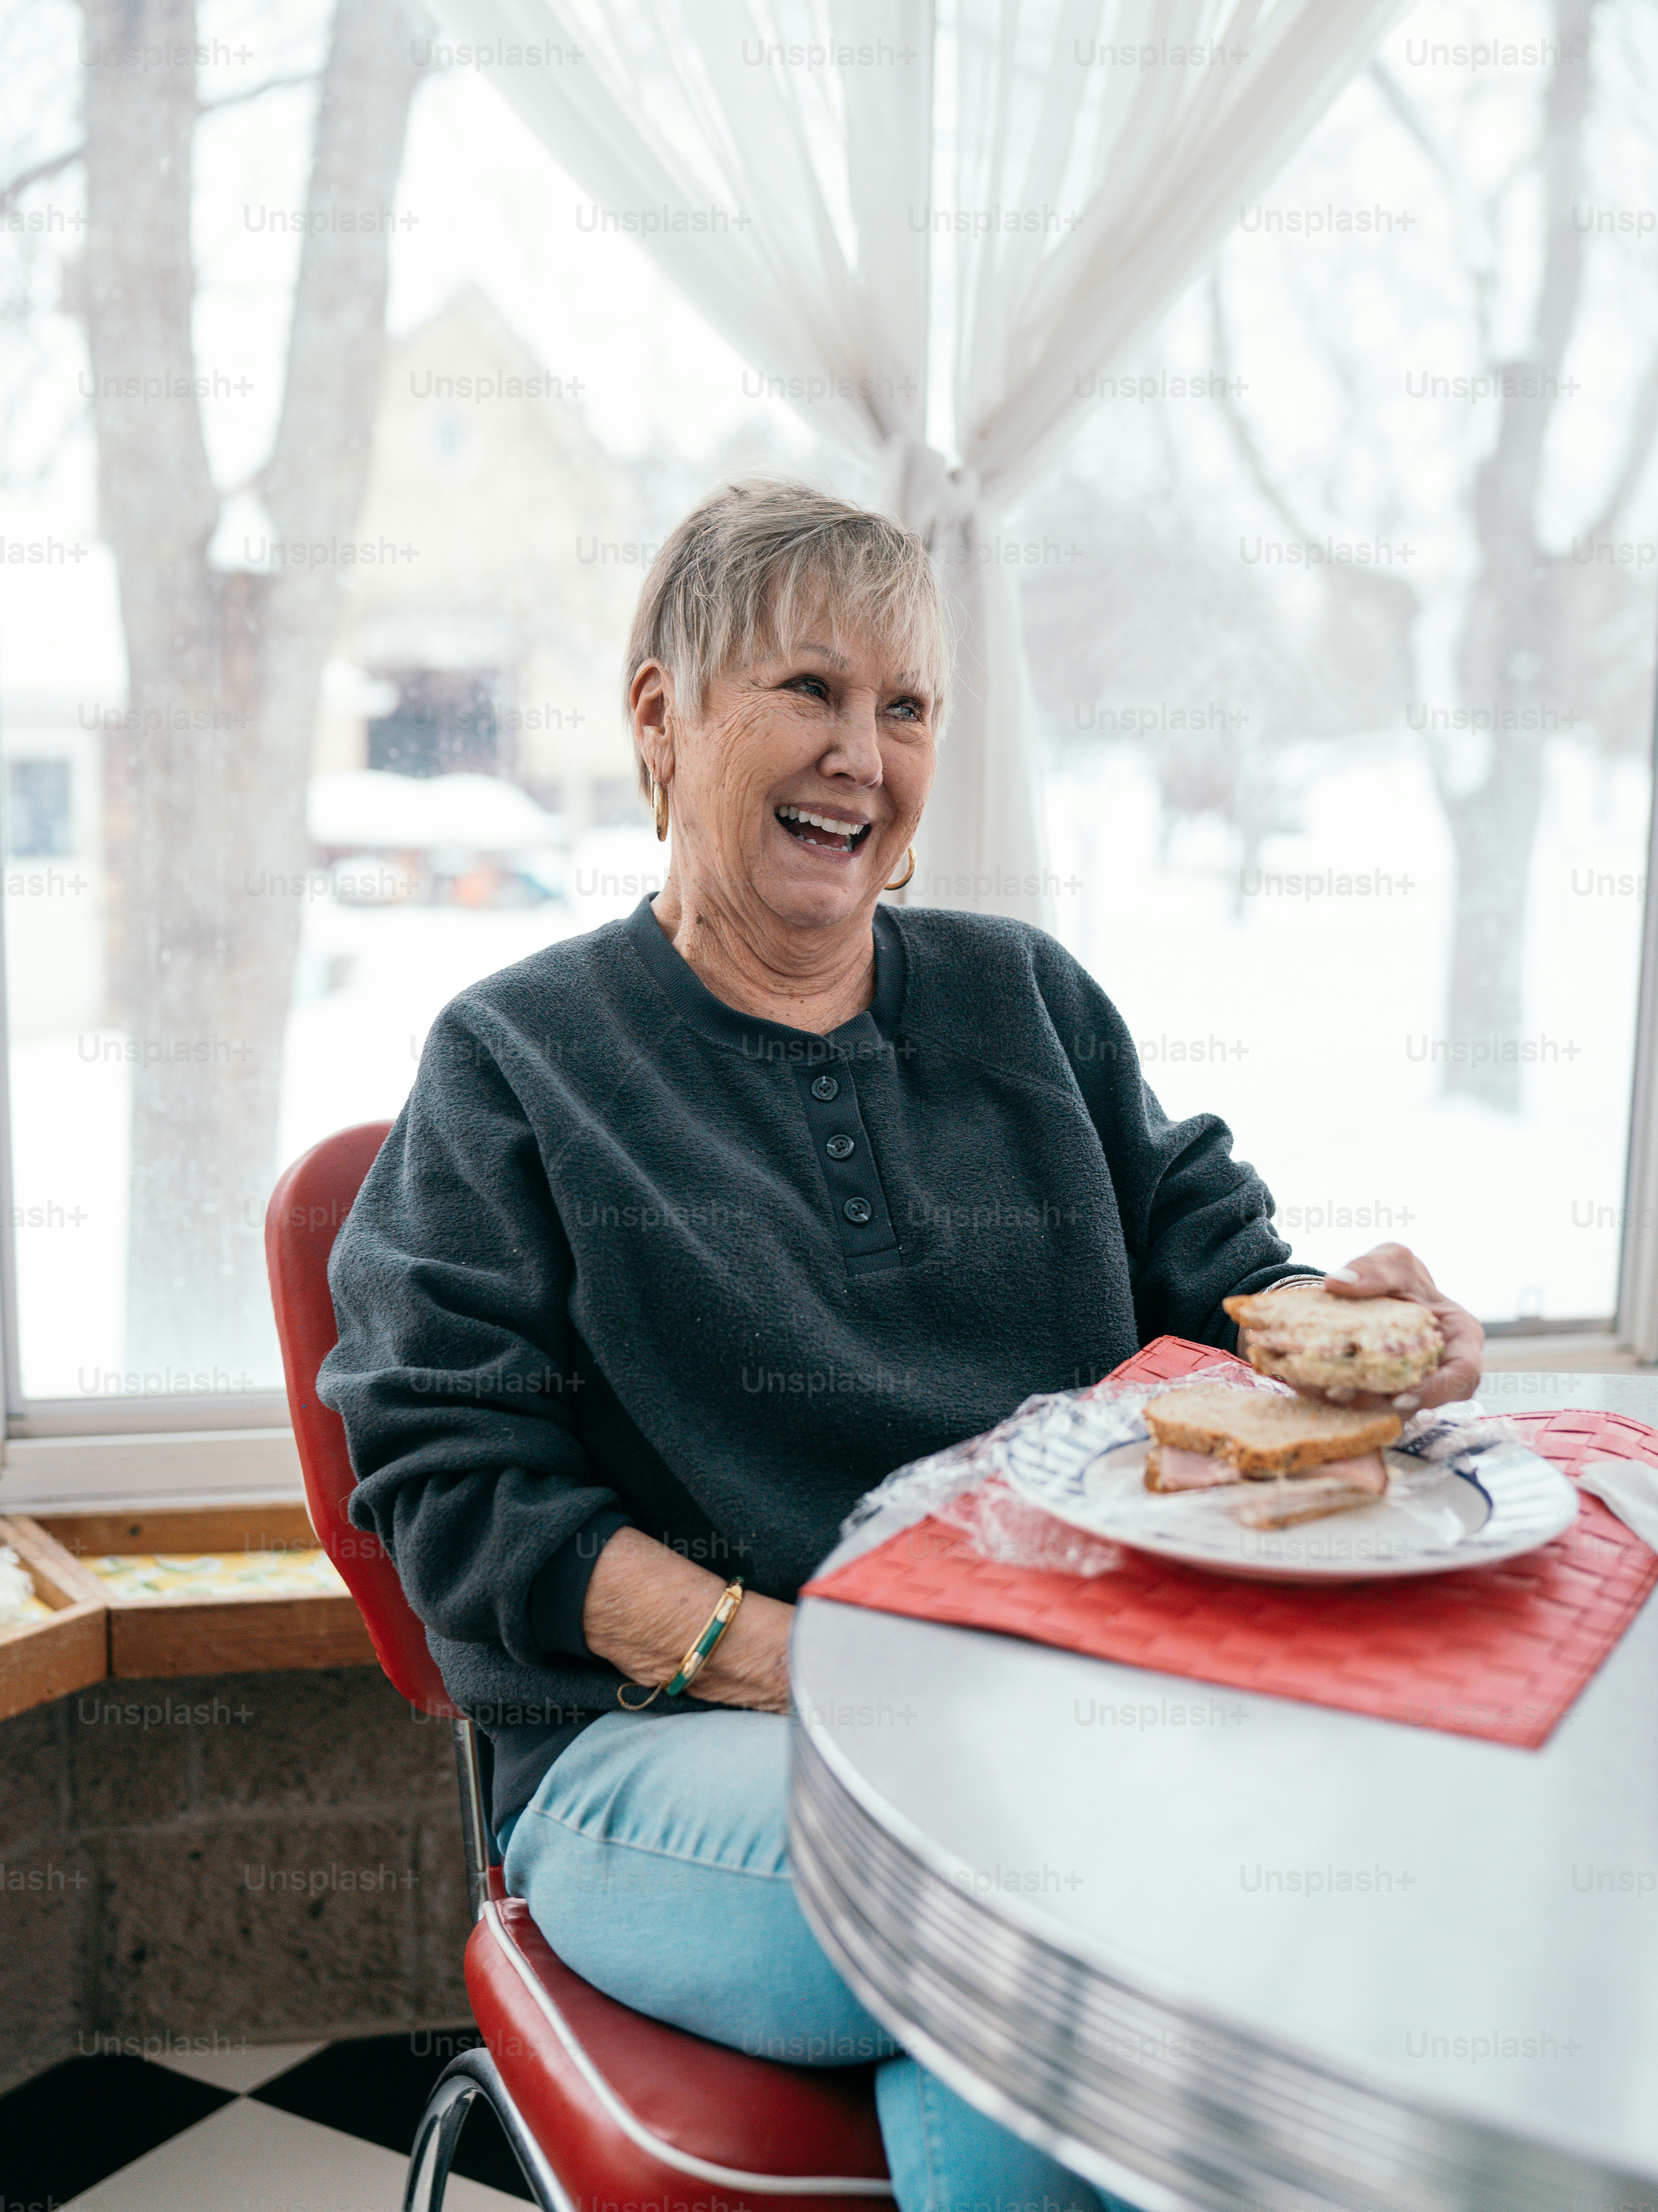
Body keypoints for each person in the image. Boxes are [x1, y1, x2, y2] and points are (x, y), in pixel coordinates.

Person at [319, 478, 1483, 2212]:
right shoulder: (515, 1061)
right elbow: (453, 1497)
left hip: (1056, 1732)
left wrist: (1354, 1336)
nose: (862, 751)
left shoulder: (1030, 1002)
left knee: (1042, 1988)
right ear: (661, 715)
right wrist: (812, 1661)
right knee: (1084, 1908)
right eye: (809, 688)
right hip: (663, 1755)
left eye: (906, 705)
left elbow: (1223, 1292)